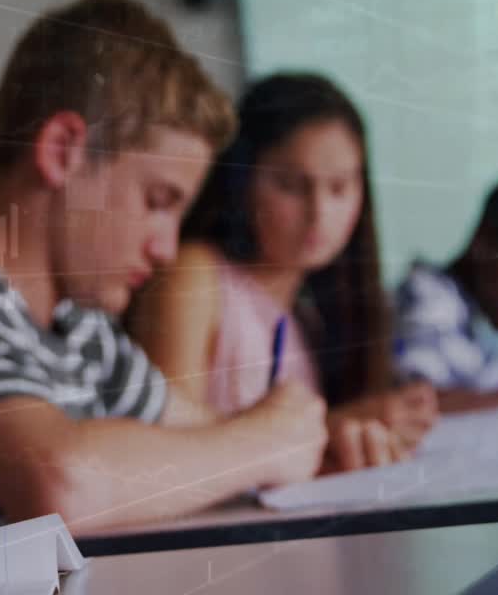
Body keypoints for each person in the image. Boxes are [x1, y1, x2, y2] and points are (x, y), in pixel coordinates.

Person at [0, 0, 332, 561]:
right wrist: (266, 443)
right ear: (63, 150)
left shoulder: (82, 331)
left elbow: (207, 441)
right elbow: (61, 486)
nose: (166, 248)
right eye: (158, 201)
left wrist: (320, 441)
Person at [129, 73, 438, 473]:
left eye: (339, 188)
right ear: (242, 180)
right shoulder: (194, 276)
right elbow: (165, 453)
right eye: (291, 185)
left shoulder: (306, 316)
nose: (319, 213)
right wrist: (331, 428)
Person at [394, 176, 498, 412]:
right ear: (484, 244)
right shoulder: (430, 302)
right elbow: (415, 404)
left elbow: (494, 377)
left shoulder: (463, 318)